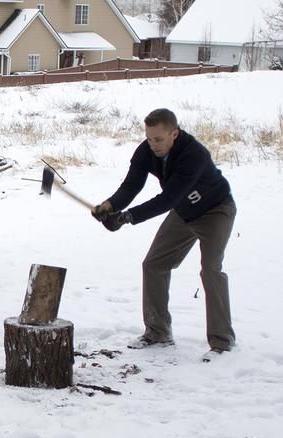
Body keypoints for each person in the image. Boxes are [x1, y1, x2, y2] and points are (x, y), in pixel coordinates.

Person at [92, 108, 238, 357]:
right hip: (184, 212)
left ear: (175, 134)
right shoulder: (146, 150)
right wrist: (111, 205)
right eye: (149, 138)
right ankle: (158, 332)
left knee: (210, 269)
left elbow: (168, 199)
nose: (153, 144)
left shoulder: (194, 154)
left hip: (215, 211)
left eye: (158, 139)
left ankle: (222, 341)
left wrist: (128, 217)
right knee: (154, 264)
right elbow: (132, 185)